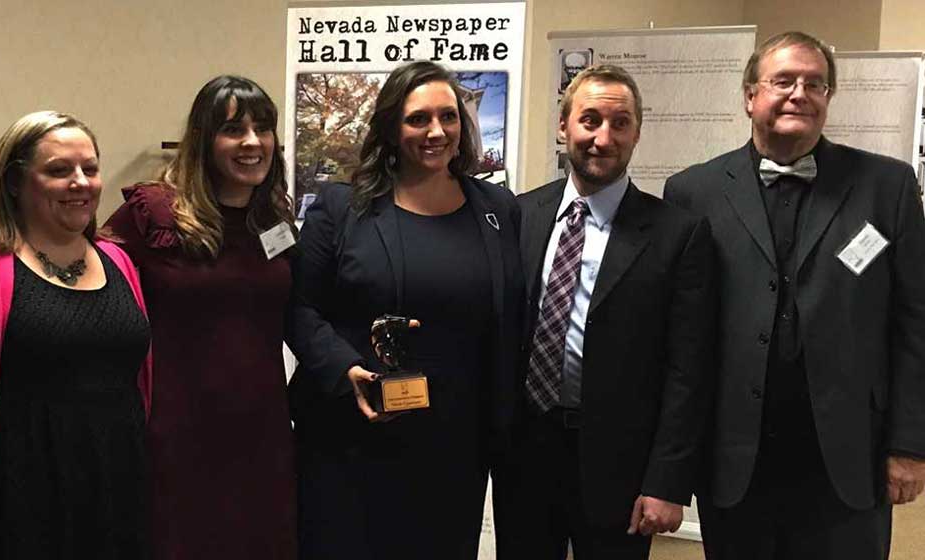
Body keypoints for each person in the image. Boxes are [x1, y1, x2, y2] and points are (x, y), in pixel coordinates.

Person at [664, 31, 925, 559]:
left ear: (828, 98)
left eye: (815, 83)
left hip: (848, 456)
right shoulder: (693, 192)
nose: (799, 93)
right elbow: (682, 338)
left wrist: (910, 444)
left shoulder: (887, 186)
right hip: (735, 459)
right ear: (749, 96)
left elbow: (916, 322)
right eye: (783, 80)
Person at [286, 60, 524, 559]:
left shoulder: (498, 210)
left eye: (449, 116)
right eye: (418, 119)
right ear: (392, 127)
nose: (436, 131)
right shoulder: (342, 207)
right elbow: (300, 309)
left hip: (454, 446)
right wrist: (341, 367)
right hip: (355, 434)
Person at [491, 64, 714, 560]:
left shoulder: (677, 234)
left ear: (637, 131)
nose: (603, 137)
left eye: (620, 123)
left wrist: (668, 480)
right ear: (563, 125)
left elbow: (689, 370)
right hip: (525, 451)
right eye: (590, 120)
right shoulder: (520, 214)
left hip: (620, 463)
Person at [102, 76, 296, 560]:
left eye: (263, 128)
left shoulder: (275, 222)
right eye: (233, 129)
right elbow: (79, 264)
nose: (253, 142)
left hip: (262, 434)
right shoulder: (155, 214)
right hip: (177, 435)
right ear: (204, 139)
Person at [0, 111, 152, 559]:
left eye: (90, 168)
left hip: (116, 480)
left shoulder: (119, 262)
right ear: (13, 183)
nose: (80, 182)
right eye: (59, 170)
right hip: (17, 486)